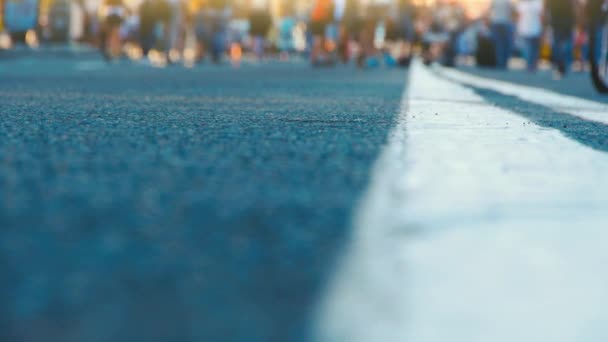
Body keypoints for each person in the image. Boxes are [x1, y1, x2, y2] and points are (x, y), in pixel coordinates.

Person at [546, 0, 576, 78]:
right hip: (566, 22)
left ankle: (560, 66)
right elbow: (574, 7)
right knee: (565, 45)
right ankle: (565, 65)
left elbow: (546, 8)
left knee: (558, 46)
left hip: (557, 23)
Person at [515, 0, 543, 72]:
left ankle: (529, 65)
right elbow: (541, 16)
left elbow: (519, 16)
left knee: (528, 48)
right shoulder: (538, 3)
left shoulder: (522, 4)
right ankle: (533, 65)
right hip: (536, 28)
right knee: (534, 48)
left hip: (526, 28)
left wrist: (518, 27)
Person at [489, 0, 514, 68]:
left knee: (498, 44)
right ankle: (504, 63)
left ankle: (499, 63)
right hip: (505, 22)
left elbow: (490, 10)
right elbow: (511, 11)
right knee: (506, 44)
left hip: (496, 22)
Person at [310, 0, 334, 66]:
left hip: (319, 20)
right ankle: (315, 58)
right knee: (318, 40)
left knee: (321, 40)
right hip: (318, 20)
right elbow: (327, 9)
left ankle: (322, 58)